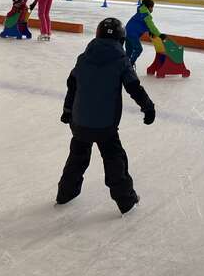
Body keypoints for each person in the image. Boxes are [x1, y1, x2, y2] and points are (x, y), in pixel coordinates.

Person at [57, 17, 155, 214]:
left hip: (79, 123)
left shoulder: (83, 58)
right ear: (121, 40)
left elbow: (72, 86)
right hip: (105, 127)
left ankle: (65, 194)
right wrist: (148, 107)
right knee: (115, 161)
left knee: (77, 158)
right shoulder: (121, 61)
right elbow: (134, 87)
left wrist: (67, 111)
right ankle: (126, 201)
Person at [125, 0, 166, 67]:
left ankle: (124, 63)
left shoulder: (141, 10)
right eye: (152, 7)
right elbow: (151, 26)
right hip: (133, 33)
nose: (152, 9)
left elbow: (142, 23)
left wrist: (150, 31)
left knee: (129, 50)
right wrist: (159, 35)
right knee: (138, 49)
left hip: (126, 31)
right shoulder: (146, 15)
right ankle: (130, 64)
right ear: (150, 7)